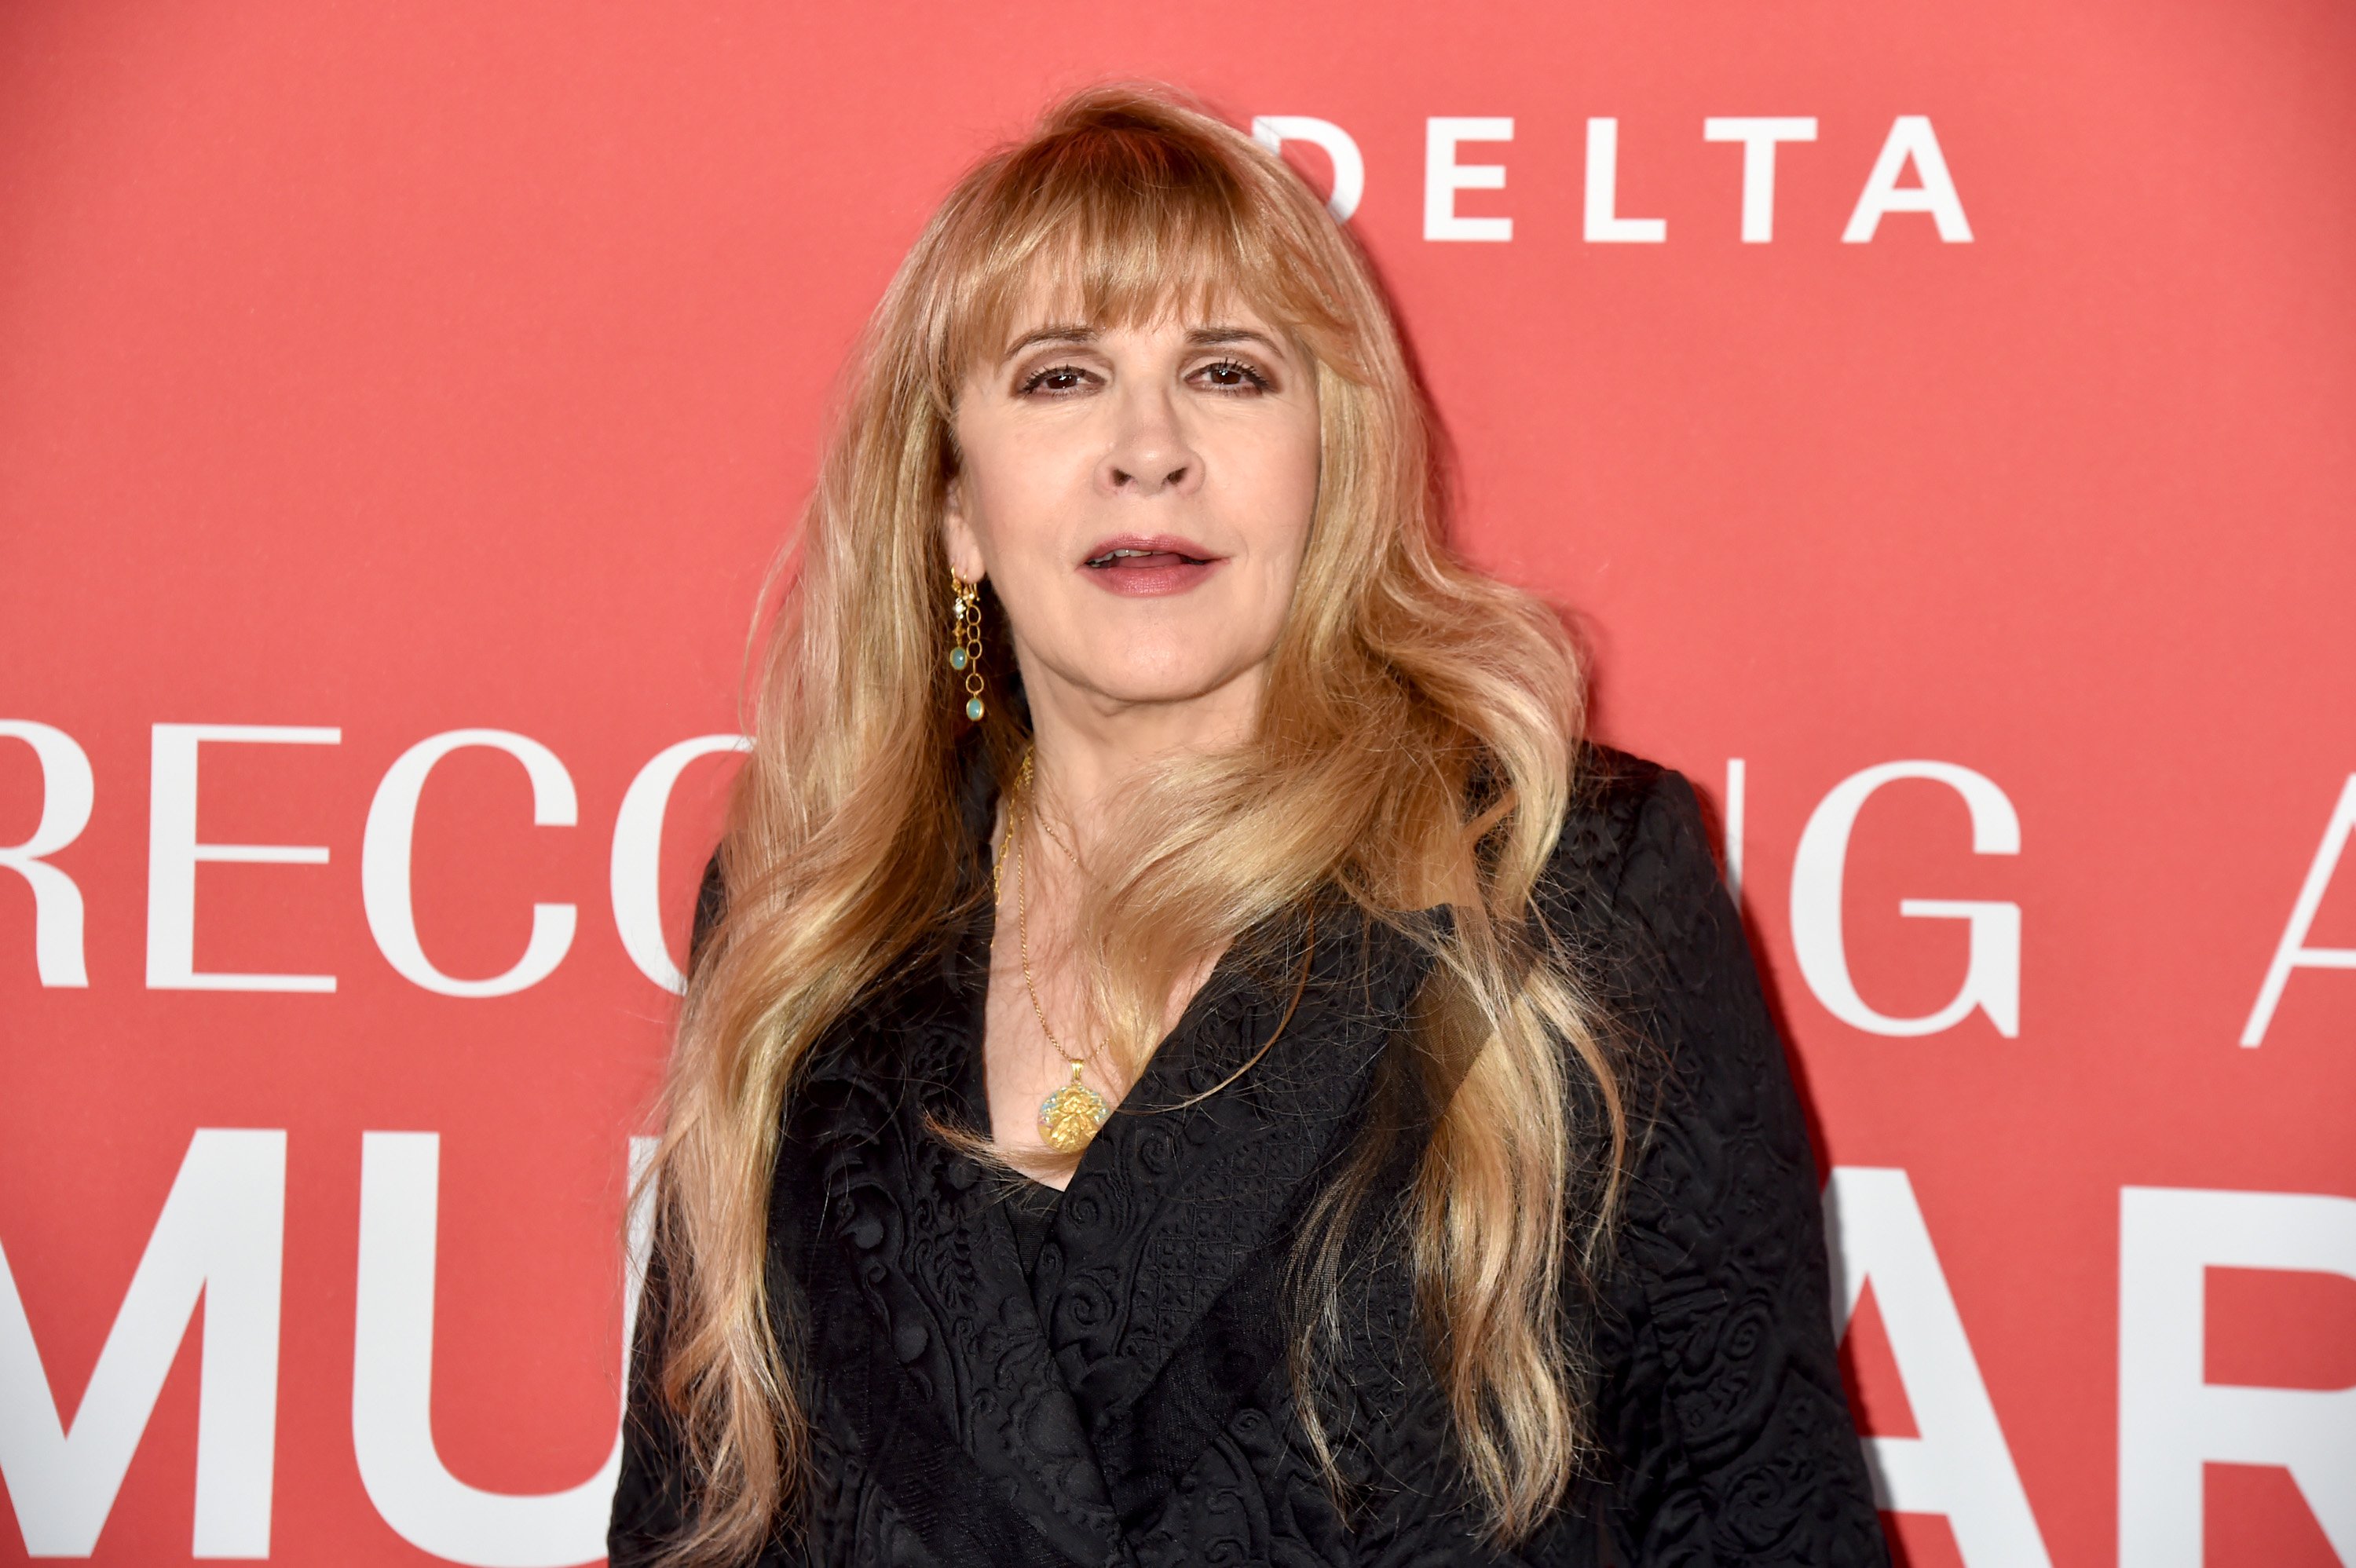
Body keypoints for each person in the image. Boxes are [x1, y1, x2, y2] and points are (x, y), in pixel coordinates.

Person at [610, 84, 1887, 1568]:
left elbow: (1765, 1518)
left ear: (1329, 466)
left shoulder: (1563, 881)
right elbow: (687, 1521)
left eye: (1225, 372)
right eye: (1059, 378)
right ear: (952, 508)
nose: (1148, 447)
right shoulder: (801, 924)